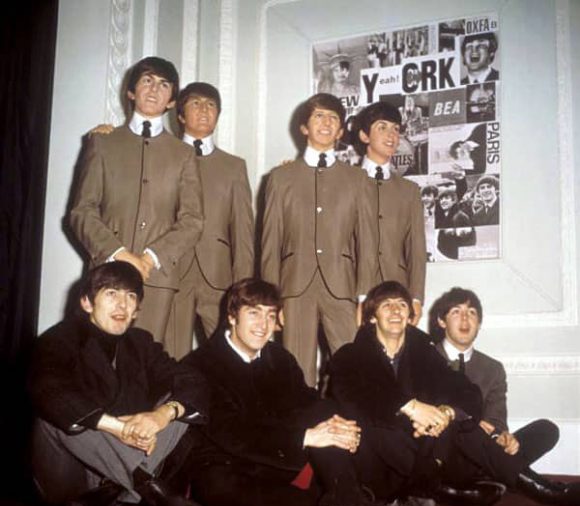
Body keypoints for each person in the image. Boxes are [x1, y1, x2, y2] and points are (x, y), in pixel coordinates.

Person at [180, 278, 392, 506]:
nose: (263, 325)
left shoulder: (279, 357)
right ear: (232, 316)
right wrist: (306, 438)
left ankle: (342, 493)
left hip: (279, 459)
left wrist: (340, 427)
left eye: (271, 316)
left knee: (327, 408)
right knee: (219, 488)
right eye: (253, 313)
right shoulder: (200, 365)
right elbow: (230, 432)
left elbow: (307, 402)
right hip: (229, 465)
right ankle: (331, 495)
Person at [328, 280, 549, 506]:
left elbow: (467, 392)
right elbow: (350, 398)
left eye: (402, 305)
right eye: (387, 305)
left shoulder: (424, 353)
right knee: (378, 425)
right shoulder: (350, 355)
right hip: (381, 459)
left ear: (410, 316)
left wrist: (445, 413)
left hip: (427, 450)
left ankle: (536, 486)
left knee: (461, 419)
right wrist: (411, 408)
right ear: (372, 317)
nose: (395, 311)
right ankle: (442, 489)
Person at [28, 262, 210, 506]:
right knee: (56, 410)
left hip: (115, 466)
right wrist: (115, 427)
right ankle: (146, 486)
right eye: (111, 294)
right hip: (72, 475)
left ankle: (110, 492)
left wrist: (160, 416)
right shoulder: (59, 339)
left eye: (131, 297)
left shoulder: (140, 343)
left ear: (137, 311)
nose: (122, 305)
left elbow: (193, 381)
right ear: (87, 302)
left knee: (182, 403)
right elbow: (47, 386)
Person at [69, 56, 204, 356]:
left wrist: (150, 258)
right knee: (95, 361)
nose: (154, 89)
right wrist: (118, 254)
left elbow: (193, 220)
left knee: (144, 365)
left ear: (171, 101)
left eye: (163, 84)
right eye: (147, 80)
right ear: (131, 92)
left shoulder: (184, 154)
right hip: (105, 273)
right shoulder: (102, 143)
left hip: (156, 278)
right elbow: (82, 211)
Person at [261, 93, 376, 387]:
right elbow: (270, 243)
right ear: (304, 127)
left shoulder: (358, 179)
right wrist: (270, 301)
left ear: (340, 131)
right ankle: (303, 431)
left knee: (355, 372)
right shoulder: (280, 178)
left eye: (333, 118)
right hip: (293, 289)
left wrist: (364, 296)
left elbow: (367, 242)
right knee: (295, 374)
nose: (326, 123)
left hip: (344, 290)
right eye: (319, 116)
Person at [430, 287, 580, 506]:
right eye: (456, 311)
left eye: (472, 312)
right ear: (441, 321)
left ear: (479, 323)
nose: (465, 318)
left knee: (546, 429)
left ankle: (487, 479)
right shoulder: (425, 357)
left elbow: (496, 418)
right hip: (443, 453)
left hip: (481, 452)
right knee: (465, 424)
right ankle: (549, 491)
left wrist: (501, 437)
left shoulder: (493, 368)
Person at [166, 82, 254, 359]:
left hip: (219, 279)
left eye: (211, 105)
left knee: (229, 357)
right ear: (180, 115)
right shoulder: (162, 157)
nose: (204, 110)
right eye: (195, 103)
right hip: (171, 273)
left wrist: (243, 286)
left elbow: (243, 231)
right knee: (169, 356)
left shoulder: (234, 166)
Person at [355, 101, 426, 323]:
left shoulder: (409, 191)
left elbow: (416, 249)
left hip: (397, 295)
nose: (391, 135)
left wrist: (415, 297)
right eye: (382, 127)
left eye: (396, 129)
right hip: (350, 294)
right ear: (364, 136)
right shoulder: (343, 183)